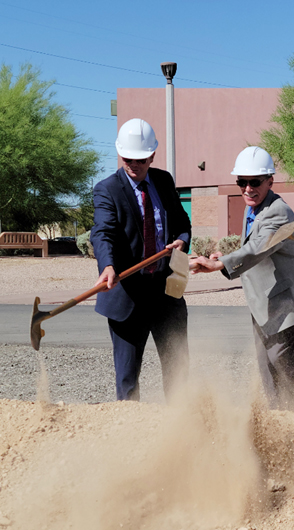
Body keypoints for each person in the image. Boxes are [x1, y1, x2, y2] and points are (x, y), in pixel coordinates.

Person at [191, 146, 294, 409]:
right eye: (242, 182)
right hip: (262, 303)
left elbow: (260, 247)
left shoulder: (278, 211)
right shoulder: (253, 207)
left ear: (270, 181)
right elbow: (250, 245)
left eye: (255, 182)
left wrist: (220, 266)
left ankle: (287, 425)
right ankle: (276, 421)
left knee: (281, 371)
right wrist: (225, 255)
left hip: (285, 304)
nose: (248, 189)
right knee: (266, 370)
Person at [91, 118, 191, 401]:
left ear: (152, 156)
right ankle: (130, 433)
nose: (134, 165)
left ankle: (182, 431)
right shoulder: (107, 189)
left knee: (178, 371)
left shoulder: (163, 180)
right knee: (128, 379)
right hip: (127, 294)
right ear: (119, 154)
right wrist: (108, 265)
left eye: (141, 159)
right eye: (128, 158)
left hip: (166, 293)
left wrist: (182, 240)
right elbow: (103, 232)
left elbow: (183, 222)